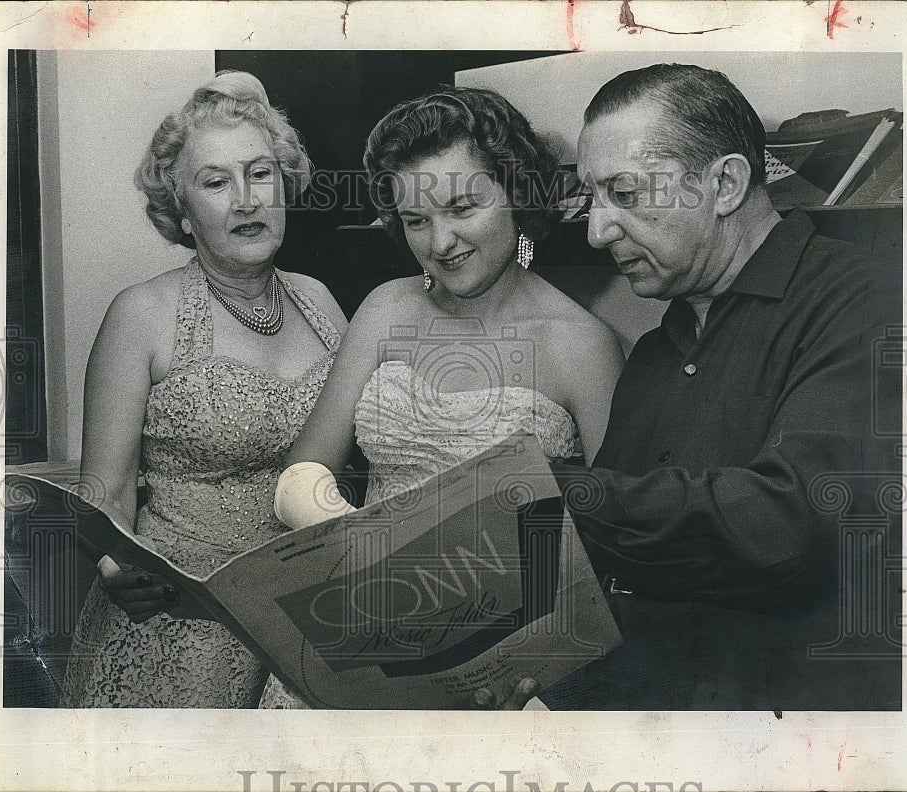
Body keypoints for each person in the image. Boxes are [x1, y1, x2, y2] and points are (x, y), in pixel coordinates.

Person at [542, 63, 903, 710]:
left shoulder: (870, 299)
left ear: (727, 183)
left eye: (624, 194)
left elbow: (787, 523)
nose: (597, 230)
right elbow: (610, 577)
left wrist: (551, 490)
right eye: (592, 199)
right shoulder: (655, 353)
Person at [259, 86, 625, 708]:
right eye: (415, 220)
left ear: (515, 192)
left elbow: (617, 538)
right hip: (362, 627)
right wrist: (360, 547)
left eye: (462, 207)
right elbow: (303, 471)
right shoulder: (385, 308)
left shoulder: (583, 345)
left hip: (504, 667)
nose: (441, 241)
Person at [58, 71, 347, 708]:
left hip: (307, 618)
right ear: (183, 214)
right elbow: (103, 494)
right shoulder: (140, 315)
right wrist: (114, 565)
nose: (246, 199)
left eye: (261, 174)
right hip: (181, 628)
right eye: (216, 183)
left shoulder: (322, 304)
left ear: (285, 186)